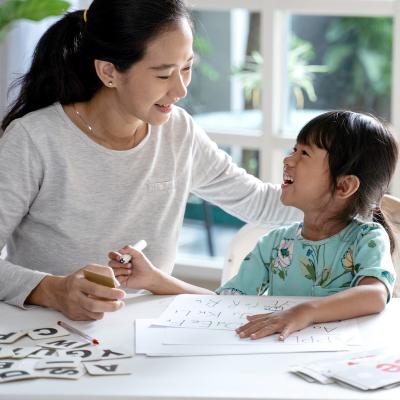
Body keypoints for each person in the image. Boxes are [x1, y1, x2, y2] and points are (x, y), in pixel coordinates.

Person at [0, 0, 398, 321]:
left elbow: (260, 202)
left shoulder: (177, 131)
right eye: (163, 74)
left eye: (188, 68)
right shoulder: (35, 139)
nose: (181, 88)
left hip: (152, 324)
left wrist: (361, 201)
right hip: (47, 329)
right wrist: (52, 289)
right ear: (108, 72)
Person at [109, 111, 399, 340]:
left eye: (304, 154)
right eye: (293, 149)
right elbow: (223, 303)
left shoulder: (367, 239)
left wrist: (305, 312)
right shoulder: (275, 245)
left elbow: (374, 295)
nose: (288, 159)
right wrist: (154, 280)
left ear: (345, 185)